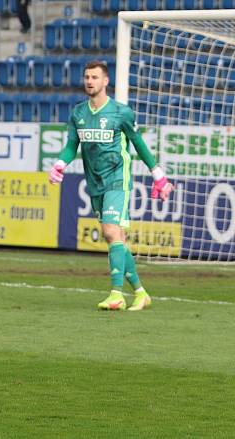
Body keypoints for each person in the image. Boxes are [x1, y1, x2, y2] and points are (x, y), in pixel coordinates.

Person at [48, 60, 173, 311]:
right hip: (94, 182)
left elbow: (137, 142)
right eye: (87, 77)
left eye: (95, 77)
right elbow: (73, 145)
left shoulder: (121, 112)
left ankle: (116, 294)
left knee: (109, 231)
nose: (90, 81)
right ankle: (140, 293)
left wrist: (157, 174)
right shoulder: (78, 114)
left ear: (106, 81)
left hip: (118, 178)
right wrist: (60, 163)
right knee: (117, 239)